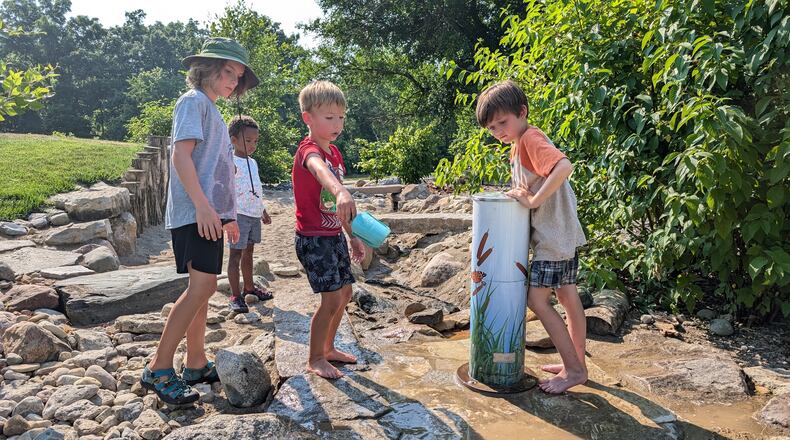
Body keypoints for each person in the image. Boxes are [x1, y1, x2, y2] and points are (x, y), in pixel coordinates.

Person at [140, 37, 259, 405]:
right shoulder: (193, 102)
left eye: (238, 77)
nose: (233, 82)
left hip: (207, 213)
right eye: (228, 73)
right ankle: (159, 367)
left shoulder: (213, 110)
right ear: (206, 69)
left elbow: (218, 171)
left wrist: (225, 216)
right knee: (203, 287)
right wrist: (204, 207)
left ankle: (195, 362)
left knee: (202, 287)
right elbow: (181, 157)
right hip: (195, 212)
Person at [476, 79, 588, 394]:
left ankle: (575, 370)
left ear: (522, 112)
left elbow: (564, 166)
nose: (498, 130)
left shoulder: (529, 138)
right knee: (567, 296)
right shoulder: (520, 142)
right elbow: (538, 180)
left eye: (503, 122)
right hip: (563, 233)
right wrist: (527, 193)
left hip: (553, 237)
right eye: (491, 127)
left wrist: (534, 201)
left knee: (536, 300)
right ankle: (574, 361)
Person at [292, 80, 365, 379]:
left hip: (333, 235)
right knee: (331, 298)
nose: (337, 123)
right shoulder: (309, 151)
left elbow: (339, 207)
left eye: (341, 117)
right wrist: (340, 191)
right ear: (308, 118)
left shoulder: (335, 153)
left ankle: (329, 347)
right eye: (329, 117)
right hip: (312, 239)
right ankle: (315, 358)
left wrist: (353, 236)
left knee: (345, 292)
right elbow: (320, 173)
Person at [226, 115, 273, 313]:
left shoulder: (253, 163)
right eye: (248, 141)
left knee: (249, 252)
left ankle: (249, 288)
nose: (253, 145)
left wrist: (262, 210)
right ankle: (235, 296)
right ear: (233, 140)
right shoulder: (230, 161)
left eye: (255, 141)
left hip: (253, 215)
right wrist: (227, 217)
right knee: (235, 254)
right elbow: (224, 189)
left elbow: (255, 188)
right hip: (238, 215)